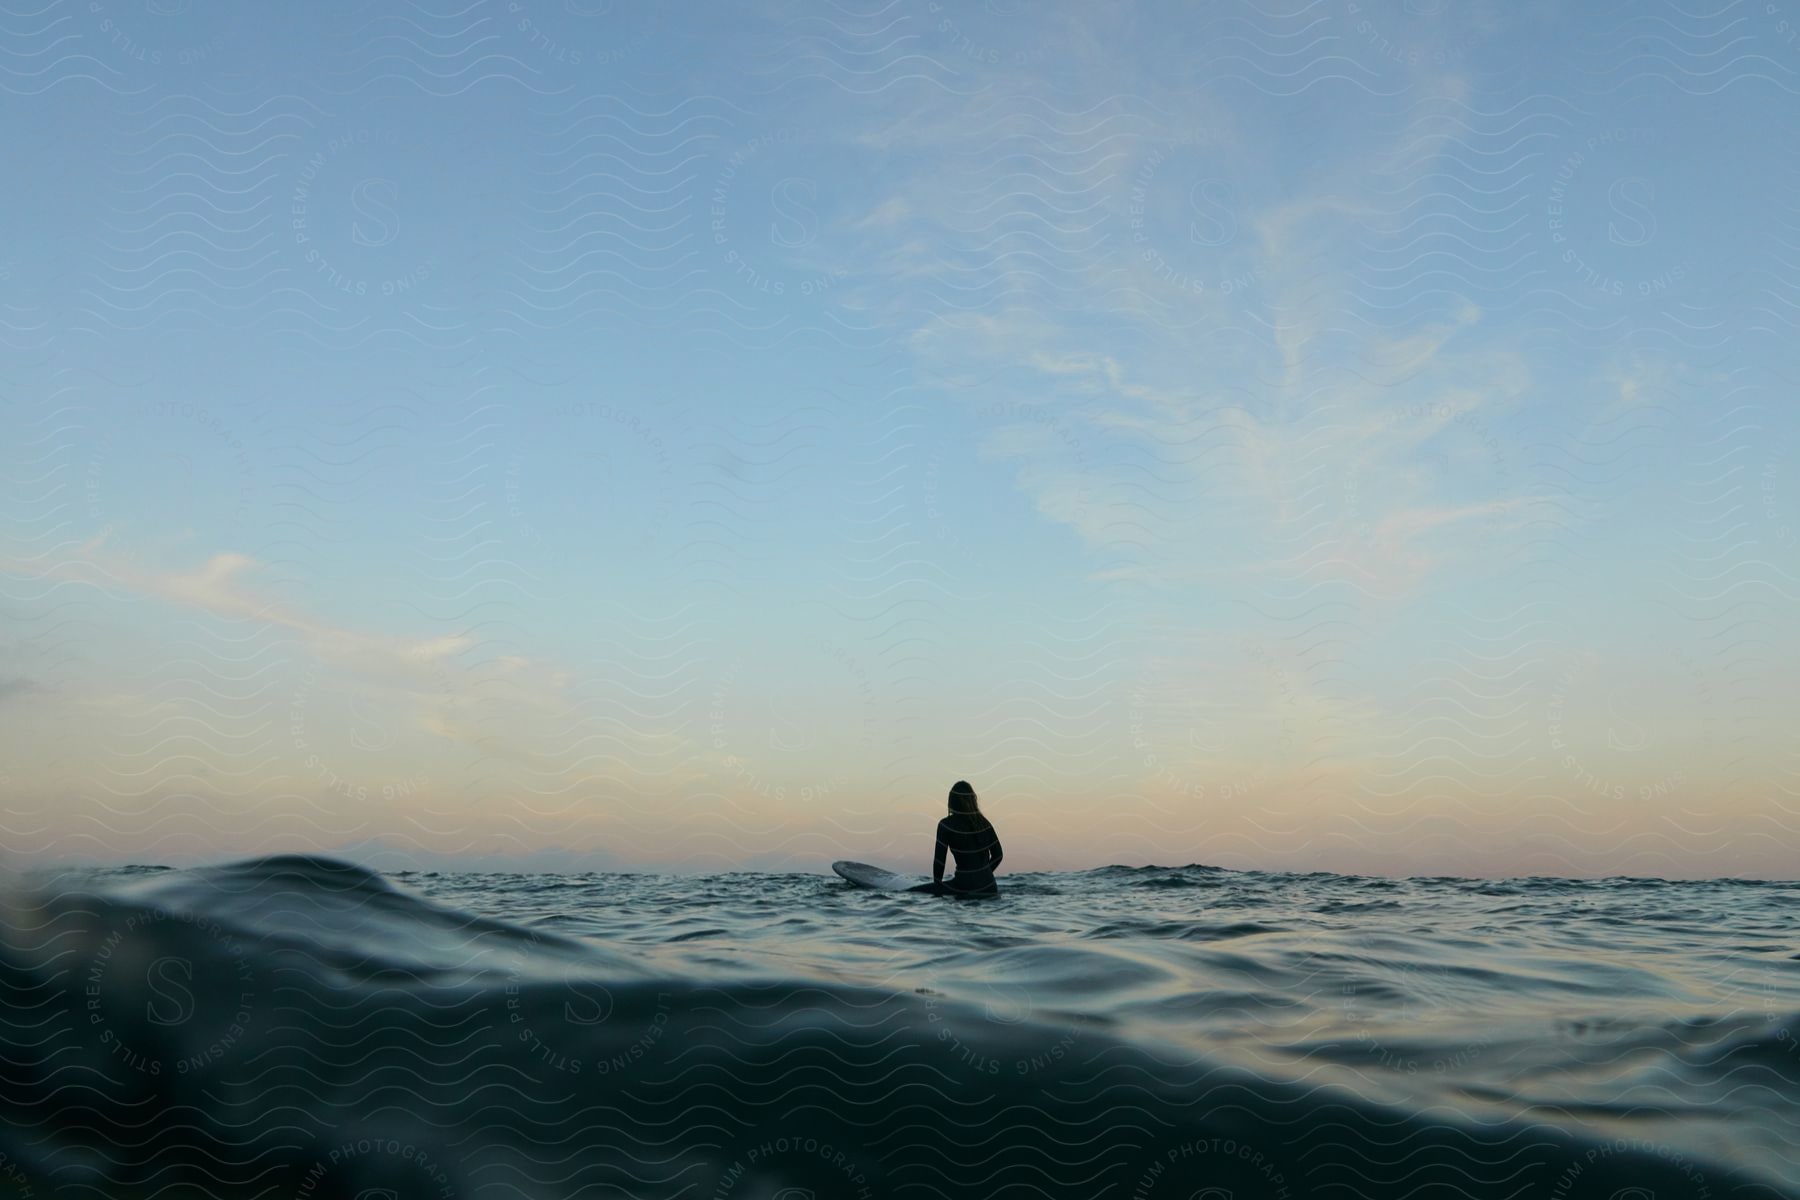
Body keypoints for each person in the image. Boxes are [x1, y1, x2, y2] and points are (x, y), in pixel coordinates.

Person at [924, 780, 1004, 897]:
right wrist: (982, 875)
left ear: (951, 802)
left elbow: (939, 862)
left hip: (964, 886)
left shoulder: (946, 825)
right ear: (973, 800)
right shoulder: (984, 823)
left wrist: (938, 889)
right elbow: (998, 855)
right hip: (989, 887)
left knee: (912, 892)